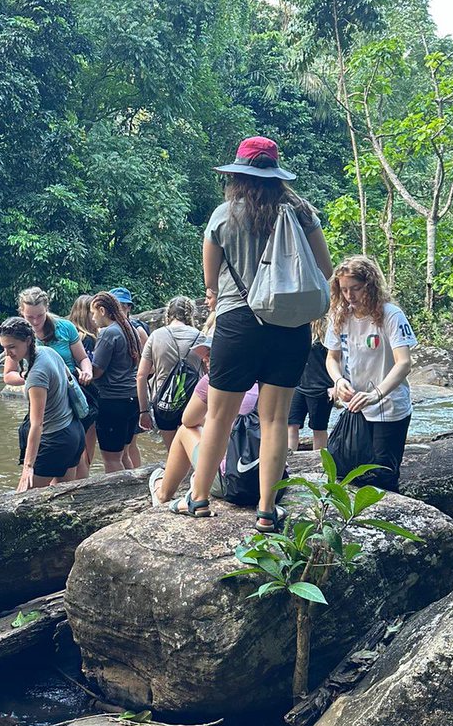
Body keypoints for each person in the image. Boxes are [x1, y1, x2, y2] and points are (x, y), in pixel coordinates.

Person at [174, 136, 333, 528]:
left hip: (238, 324)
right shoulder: (302, 213)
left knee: (218, 416)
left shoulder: (223, 216)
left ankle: (198, 498)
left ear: (237, 176)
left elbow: (210, 282)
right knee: (275, 420)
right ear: (276, 175)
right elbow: (325, 270)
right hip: (290, 326)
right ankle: (266, 510)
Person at [325, 256, 417, 492]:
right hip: (356, 405)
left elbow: (404, 363)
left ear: (370, 285)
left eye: (356, 288)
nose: (350, 296)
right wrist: (338, 380)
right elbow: (332, 358)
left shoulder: (391, 315)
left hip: (389, 407)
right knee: (348, 471)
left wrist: (376, 394)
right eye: (344, 290)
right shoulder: (339, 316)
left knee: (382, 475)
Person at [149, 338, 259, 507]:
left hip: (232, 483)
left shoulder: (212, 380)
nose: (205, 359)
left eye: (210, 354)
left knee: (185, 430)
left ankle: (163, 494)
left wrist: (213, 417)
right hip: (269, 483)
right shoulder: (265, 382)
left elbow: (188, 419)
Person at [0, 317, 86, 492]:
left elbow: (37, 424)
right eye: (4, 347)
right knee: (63, 496)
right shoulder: (47, 352)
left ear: (28, 341)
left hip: (55, 440)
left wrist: (28, 466)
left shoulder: (36, 375)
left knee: (24, 499)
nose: (7, 354)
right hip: (74, 432)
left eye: (12, 347)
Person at [136, 295, 204, 451]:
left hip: (164, 402)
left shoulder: (155, 336)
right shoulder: (200, 336)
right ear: (190, 314)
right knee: (194, 450)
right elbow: (209, 373)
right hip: (193, 402)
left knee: (173, 452)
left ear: (168, 314)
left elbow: (141, 376)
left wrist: (143, 411)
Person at [89, 291, 143, 473]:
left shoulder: (108, 333)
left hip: (113, 400)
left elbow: (97, 371)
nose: (93, 318)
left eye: (93, 313)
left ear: (102, 311)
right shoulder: (130, 328)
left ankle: (118, 490)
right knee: (124, 455)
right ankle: (135, 487)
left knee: (111, 459)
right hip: (132, 398)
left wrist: (82, 370)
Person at [2, 286, 93, 389]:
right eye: (30, 317)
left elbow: (83, 358)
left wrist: (87, 371)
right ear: (21, 312)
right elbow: (8, 375)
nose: (35, 322)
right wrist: (30, 376)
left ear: (46, 308)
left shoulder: (66, 327)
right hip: (39, 389)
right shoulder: (17, 335)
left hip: (70, 386)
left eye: (40, 315)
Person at [287, 318, 333, 453]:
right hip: (299, 384)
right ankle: (289, 457)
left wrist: (335, 384)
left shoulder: (328, 329)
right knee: (291, 424)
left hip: (321, 387)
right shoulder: (299, 326)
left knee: (318, 428)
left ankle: (320, 460)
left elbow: (336, 358)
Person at [69, 294, 100, 476]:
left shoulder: (68, 335)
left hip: (72, 395)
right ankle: (84, 480)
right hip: (89, 395)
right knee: (87, 448)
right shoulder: (88, 338)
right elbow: (94, 368)